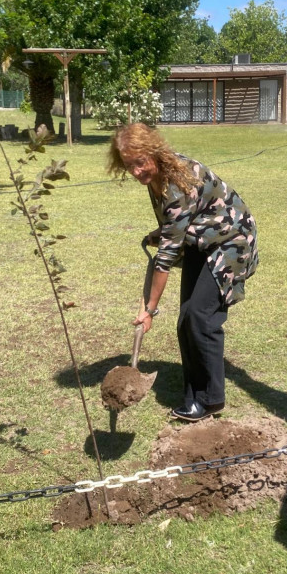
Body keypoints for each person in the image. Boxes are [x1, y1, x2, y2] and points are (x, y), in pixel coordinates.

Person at [108, 123, 258, 422]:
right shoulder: (155, 179)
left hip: (230, 242)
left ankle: (211, 399)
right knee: (186, 320)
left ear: (154, 152)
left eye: (140, 163)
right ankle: (193, 394)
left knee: (201, 318)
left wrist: (149, 309)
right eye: (129, 166)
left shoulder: (177, 181)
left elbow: (165, 258)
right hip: (201, 242)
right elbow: (180, 221)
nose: (136, 171)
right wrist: (163, 232)